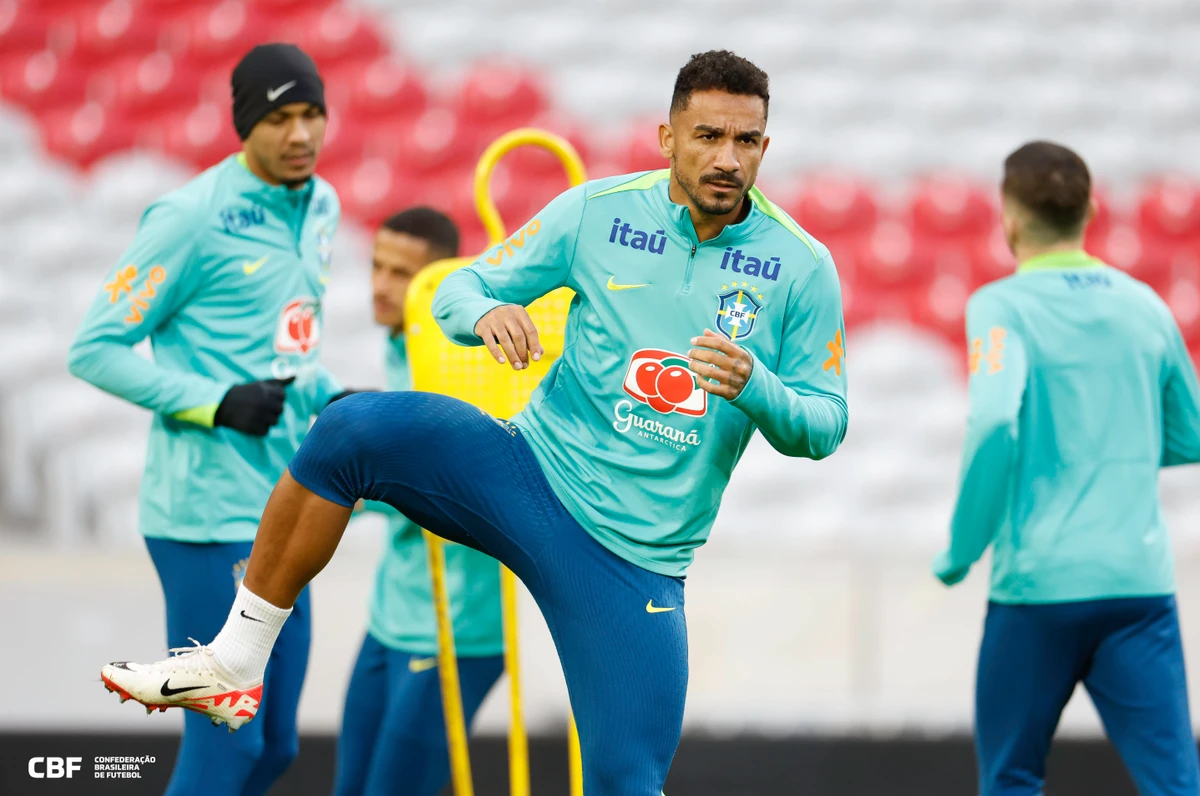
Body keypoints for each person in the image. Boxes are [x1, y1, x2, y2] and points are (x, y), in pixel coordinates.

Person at [98, 49, 849, 795]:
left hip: (635, 560)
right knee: (348, 431)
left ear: (765, 147)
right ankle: (233, 660)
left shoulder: (803, 267)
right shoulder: (598, 213)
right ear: (667, 139)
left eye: (746, 141)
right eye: (708, 136)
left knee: (628, 783)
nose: (727, 158)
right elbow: (459, 286)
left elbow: (825, 425)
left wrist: (759, 389)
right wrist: (488, 310)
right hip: (530, 475)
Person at [73, 43, 346, 796]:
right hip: (204, 515)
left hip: (289, 505)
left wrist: (327, 395)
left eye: (312, 113)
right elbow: (94, 349)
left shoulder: (321, 204)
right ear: (243, 124)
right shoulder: (189, 217)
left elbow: (289, 342)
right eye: (280, 117)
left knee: (276, 747)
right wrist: (214, 400)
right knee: (228, 740)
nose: (301, 135)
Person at [933, 141, 1200, 796]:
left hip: (1038, 589)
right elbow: (1189, 434)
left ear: (1011, 218)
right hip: (1137, 589)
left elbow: (995, 422)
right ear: (1092, 210)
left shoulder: (1001, 306)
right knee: (1174, 785)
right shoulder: (1146, 305)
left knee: (1012, 778)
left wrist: (965, 547)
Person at [334, 208, 505, 796]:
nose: (381, 285)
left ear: (440, 289)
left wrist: (363, 475)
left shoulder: (474, 367)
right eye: (377, 267)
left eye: (402, 274)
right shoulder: (399, 348)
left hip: (458, 631)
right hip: (391, 619)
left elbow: (470, 490)